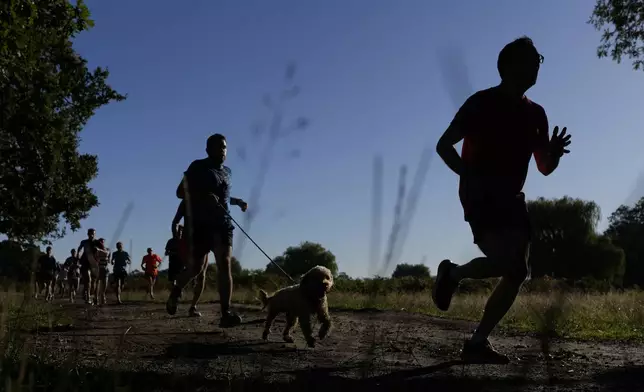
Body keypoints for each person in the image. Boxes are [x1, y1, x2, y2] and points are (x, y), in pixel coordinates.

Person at [433, 36, 572, 364]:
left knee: (517, 271)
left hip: (512, 198)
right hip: (480, 195)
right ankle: (452, 275)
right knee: (506, 262)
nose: (538, 64)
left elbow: (544, 167)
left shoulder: (536, 114)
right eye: (532, 58)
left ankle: (477, 342)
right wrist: (468, 175)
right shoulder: (480, 103)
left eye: (540, 58)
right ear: (509, 65)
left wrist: (554, 154)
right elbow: (443, 145)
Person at [166, 133, 248, 326]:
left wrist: (238, 202)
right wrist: (203, 196)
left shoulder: (227, 171)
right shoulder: (197, 167)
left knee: (225, 263)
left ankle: (226, 313)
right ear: (208, 149)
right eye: (218, 146)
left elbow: (223, 198)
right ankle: (176, 291)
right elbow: (180, 192)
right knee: (195, 268)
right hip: (201, 225)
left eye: (225, 147)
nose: (222, 150)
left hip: (223, 225)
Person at [77, 228, 100, 305]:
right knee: (88, 280)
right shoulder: (84, 242)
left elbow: (105, 251)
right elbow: (79, 249)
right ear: (88, 234)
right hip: (85, 262)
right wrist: (78, 255)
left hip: (94, 263)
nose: (91, 235)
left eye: (93, 234)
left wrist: (99, 251)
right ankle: (88, 298)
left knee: (93, 282)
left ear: (95, 234)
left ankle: (88, 294)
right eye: (90, 233)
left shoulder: (97, 242)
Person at [95, 238, 110, 305]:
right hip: (98, 268)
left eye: (102, 242)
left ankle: (102, 295)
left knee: (105, 284)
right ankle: (96, 297)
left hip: (105, 268)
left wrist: (100, 250)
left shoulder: (107, 249)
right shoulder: (95, 249)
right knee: (97, 283)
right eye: (100, 242)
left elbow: (107, 254)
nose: (101, 243)